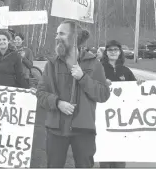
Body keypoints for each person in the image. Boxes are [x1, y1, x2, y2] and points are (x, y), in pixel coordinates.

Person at [36, 20, 110, 168]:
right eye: (57, 33)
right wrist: (57, 103)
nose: (57, 37)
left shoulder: (93, 63)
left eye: (62, 33)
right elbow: (40, 93)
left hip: (84, 129)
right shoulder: (51, 64)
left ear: (74, 37)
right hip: (56, 129)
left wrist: (83, 78)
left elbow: (103, 94)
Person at [98, 40, 140, 168]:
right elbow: (90, 85)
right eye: (110, 50)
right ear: (106, 52)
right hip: (103, 116)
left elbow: (135, 90)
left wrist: (140, 85)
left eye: (116, 49)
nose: (113, 52)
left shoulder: (126, 70)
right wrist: (102, 83)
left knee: (120, 154)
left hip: (122, 117)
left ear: (120, 52)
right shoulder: (98, 68)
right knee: (105, 152)